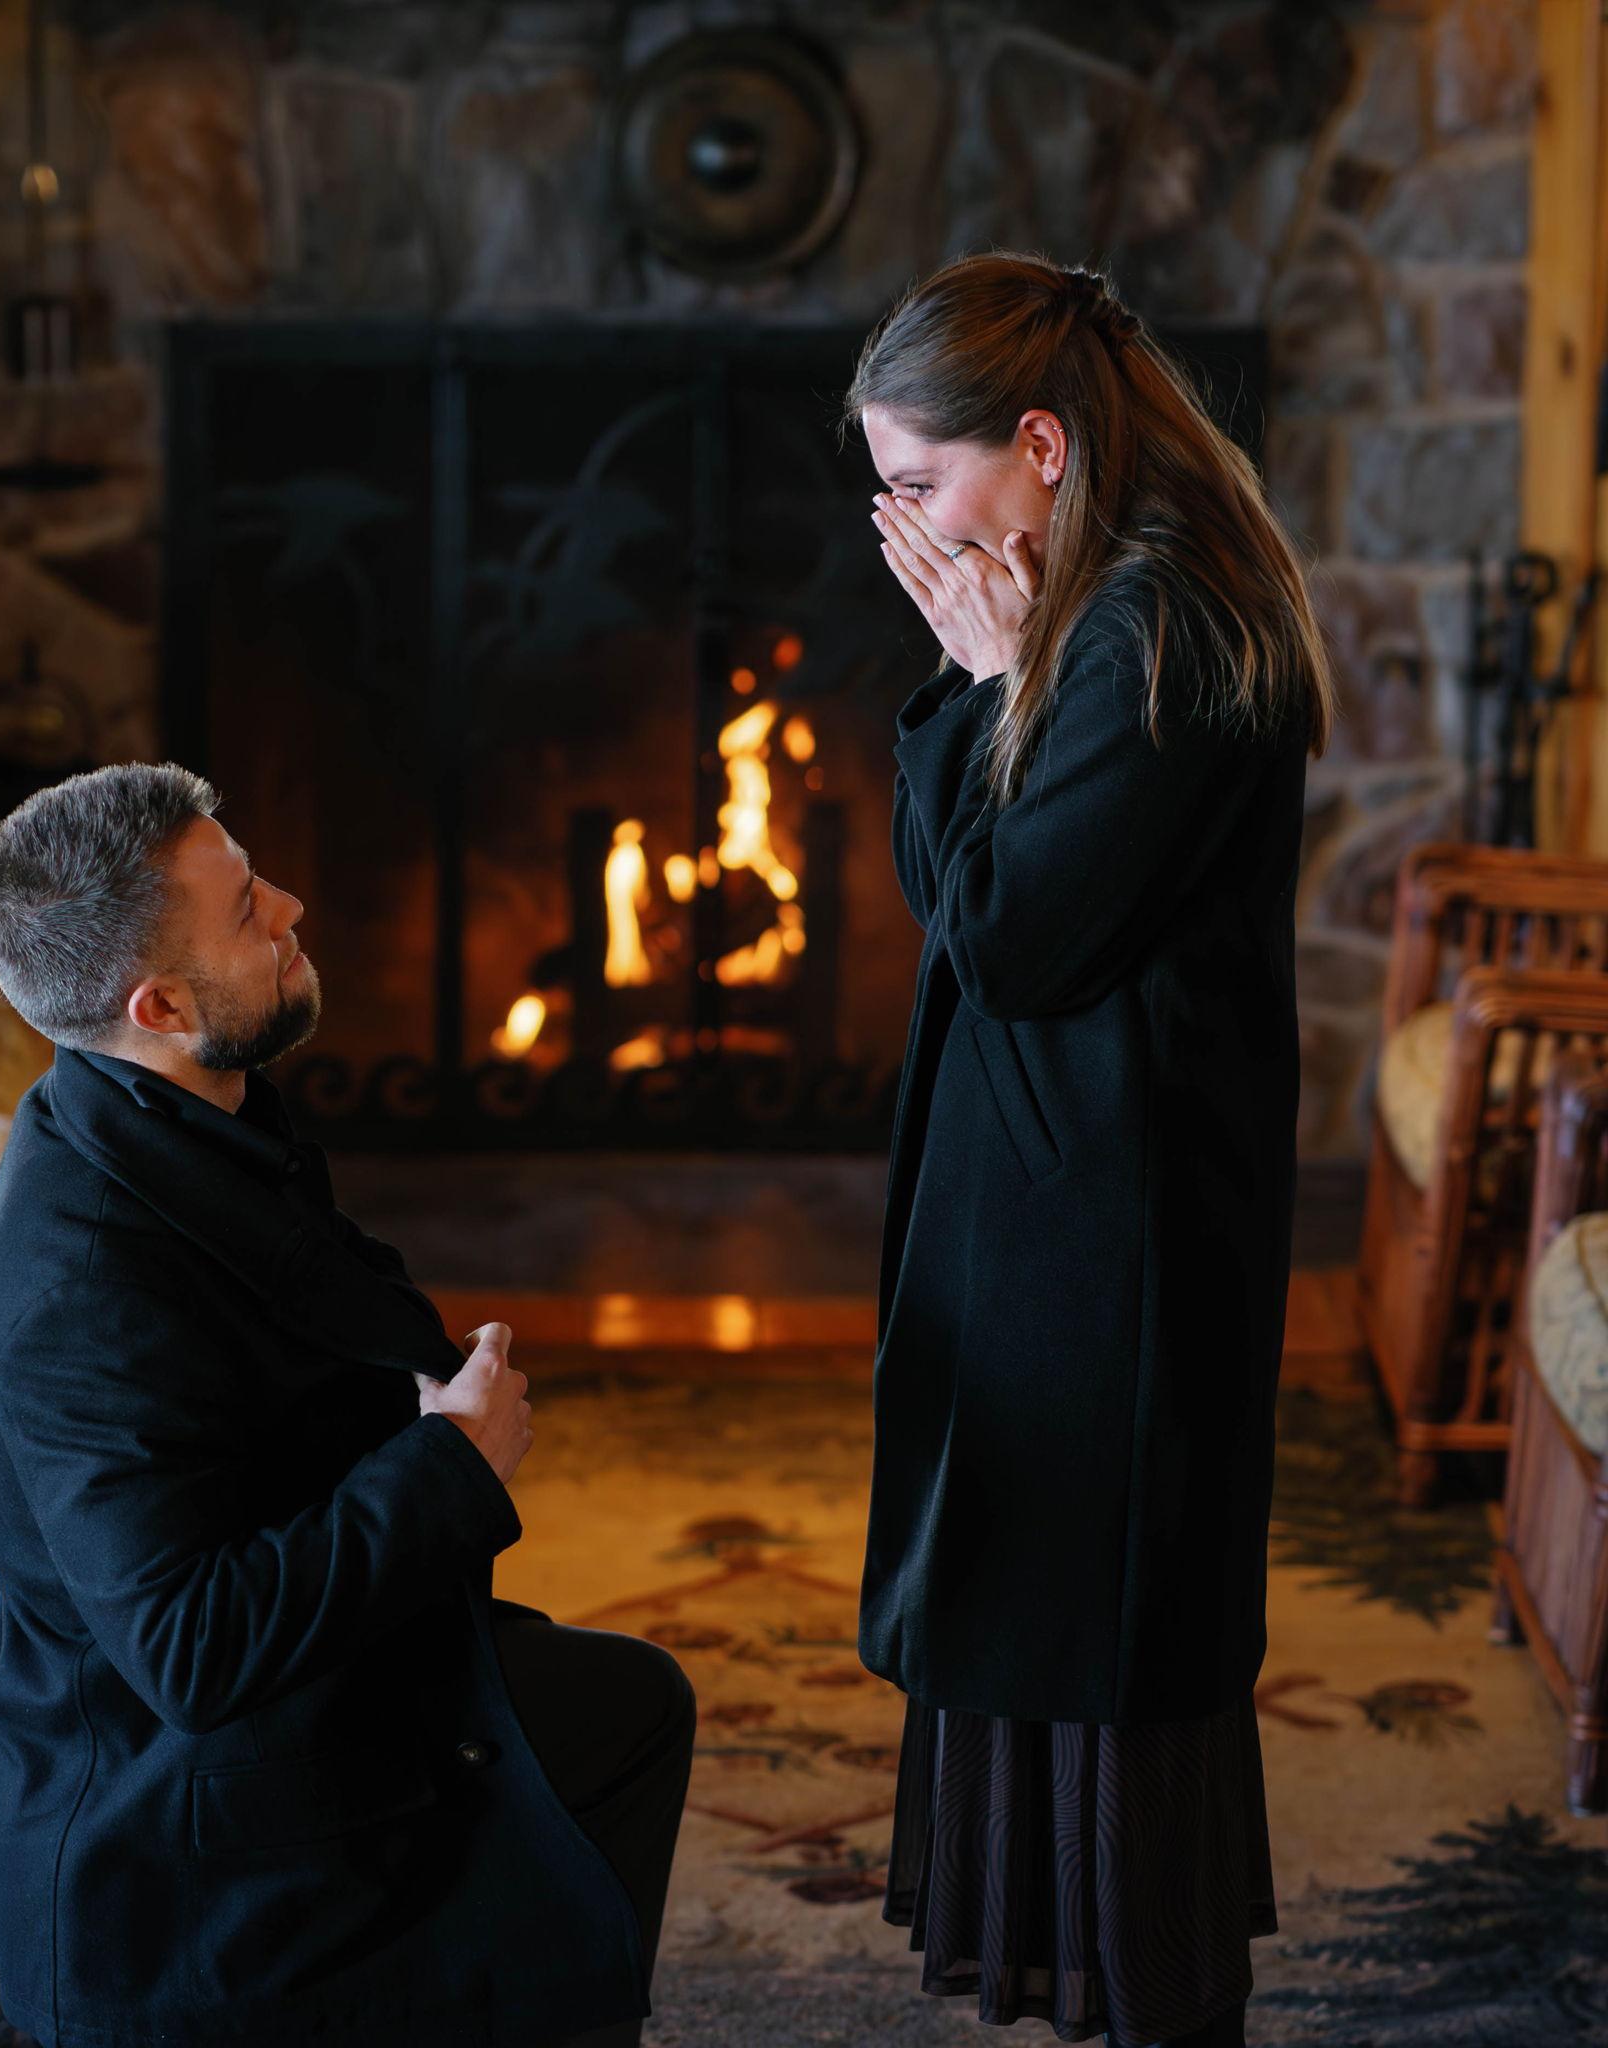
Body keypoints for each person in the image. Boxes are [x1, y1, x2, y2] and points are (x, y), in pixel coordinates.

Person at [0, 762, 696, 2048]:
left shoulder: (174, 1116)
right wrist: (450, 1461)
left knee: (626, 1704)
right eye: (247, 906)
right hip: (173, 1821)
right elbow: (192, 1652)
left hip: (289, 1696)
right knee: (609, 1726)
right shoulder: (76, 1290)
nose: (292, 905)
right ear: (159, 1005)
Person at [846, 252, 1335, 2048]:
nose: (903, 526)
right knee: (1036, 1606)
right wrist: (974, 678)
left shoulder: (1159, 624)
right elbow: (957, 893)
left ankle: (1150, 2005)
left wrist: (988, 685)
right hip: (1060, 1193)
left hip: (1115, 1224)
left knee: (1103, 1638)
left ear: (1039, 445)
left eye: (920, 481)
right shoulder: (1086, 606)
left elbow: (1011, 940)